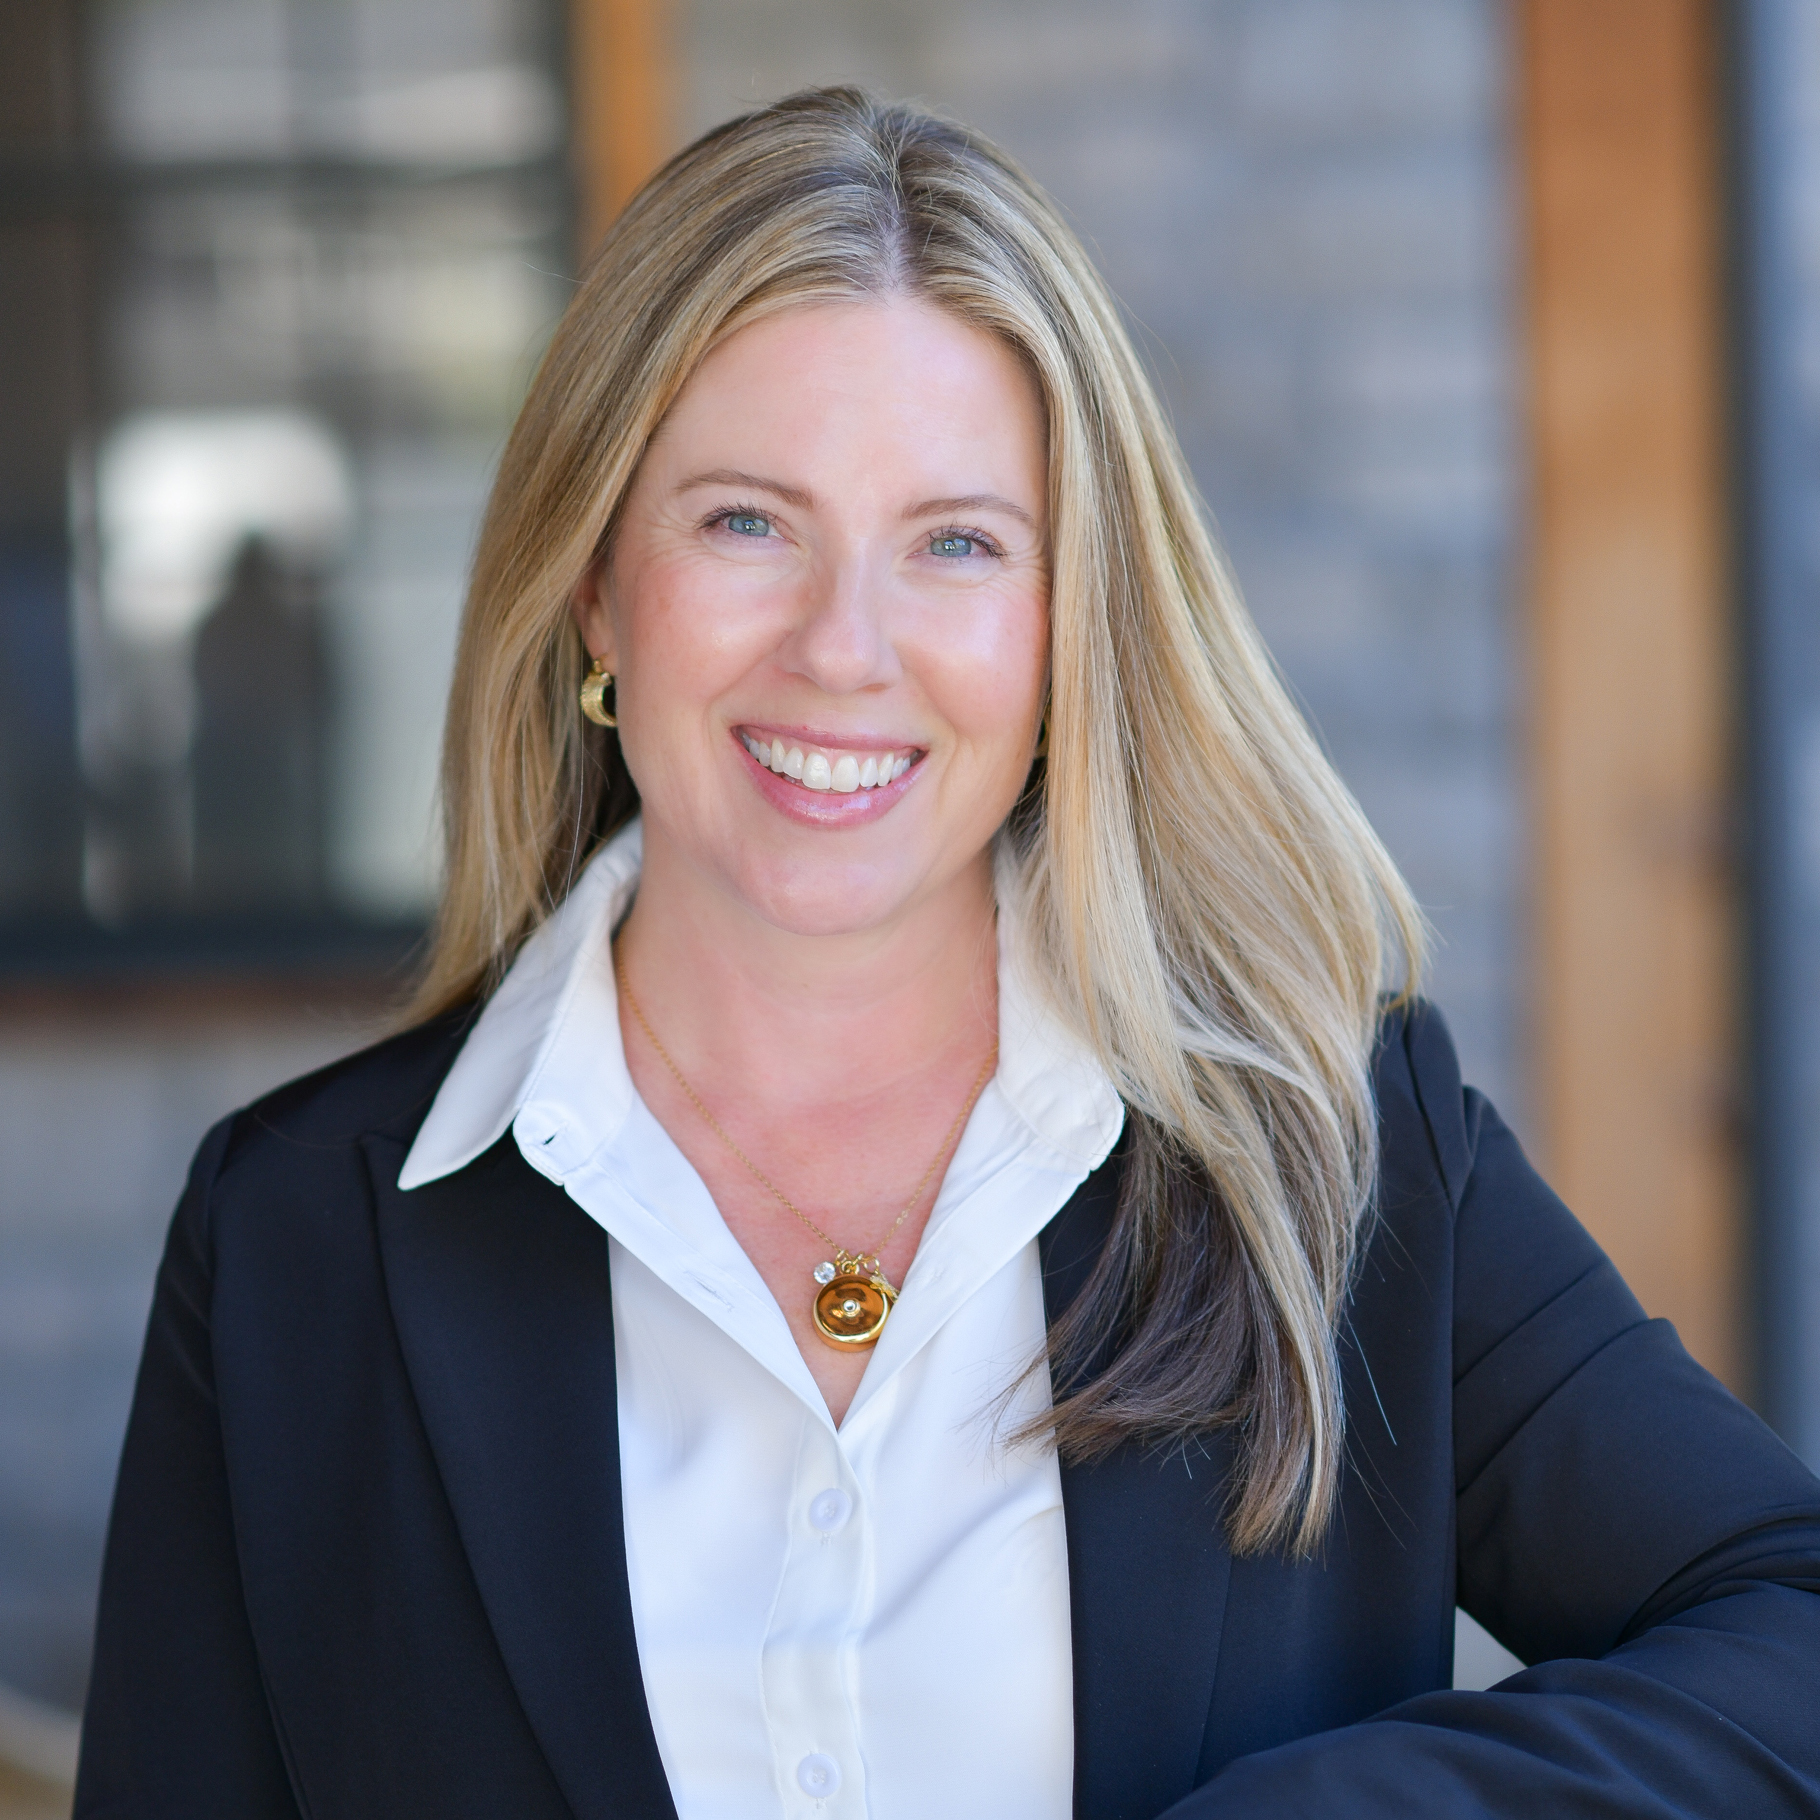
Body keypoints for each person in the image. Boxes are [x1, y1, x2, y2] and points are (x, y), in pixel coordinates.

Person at [75, 88, 1820, 1820]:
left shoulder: (1333, 1147)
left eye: (958, 545)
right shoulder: (291, 1240)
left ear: (1071, 628)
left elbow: (1785, 1628)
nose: (847, 649)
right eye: (747, 522)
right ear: (598, 586)